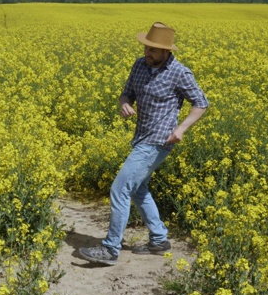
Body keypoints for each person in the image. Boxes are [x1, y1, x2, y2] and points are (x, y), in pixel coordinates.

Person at [79, 22, 209, 266]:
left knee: (120, 189)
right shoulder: (140, 65)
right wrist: (125, 103)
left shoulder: (180, 73)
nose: (147, 53)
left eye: (153, 50)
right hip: (141, 137)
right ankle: (159, 240)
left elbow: (201, 103)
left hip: (158, 141)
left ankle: (110, 249)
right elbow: (126, 93)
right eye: (146, 48)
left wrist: (181, 129)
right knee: (138, 189)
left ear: (167, 52)